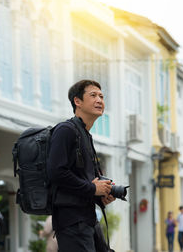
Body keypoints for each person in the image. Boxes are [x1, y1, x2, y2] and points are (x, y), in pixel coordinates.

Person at [48, 80, 116, 252]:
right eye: (93, 95)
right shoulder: (66, 130)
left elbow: (84, 182)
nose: (99, 100)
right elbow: (56, 172)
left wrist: (101, 194)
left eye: (101, 96)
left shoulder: (85, 135)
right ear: (77, 101)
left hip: (87, 218)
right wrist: (92, 189)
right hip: (71, 221)